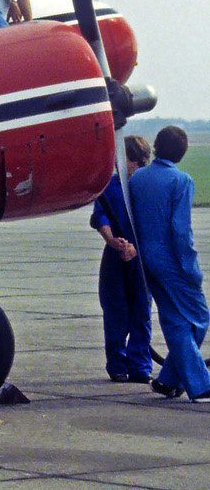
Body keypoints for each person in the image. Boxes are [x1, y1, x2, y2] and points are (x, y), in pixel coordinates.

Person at [127, 125, 210, 401]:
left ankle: (168, 381)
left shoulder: (137, 179)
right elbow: (180, 231)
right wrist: (191, 268)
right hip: (173, 261)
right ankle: (201, 385)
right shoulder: (182, 181)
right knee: (198, 317)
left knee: (175, 321)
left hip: (145, 260)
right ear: (182, 153)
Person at [90, 136, 153, 383]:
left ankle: (140, 365)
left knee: (141, 312)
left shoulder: (146, 186)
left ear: (132, 159)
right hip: (115, 256)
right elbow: (100, 214)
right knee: (115, 310)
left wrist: (136, 248)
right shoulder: (109, 186)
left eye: (120, 157)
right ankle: (117, 364)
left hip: (140, 257)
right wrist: (112, 241)